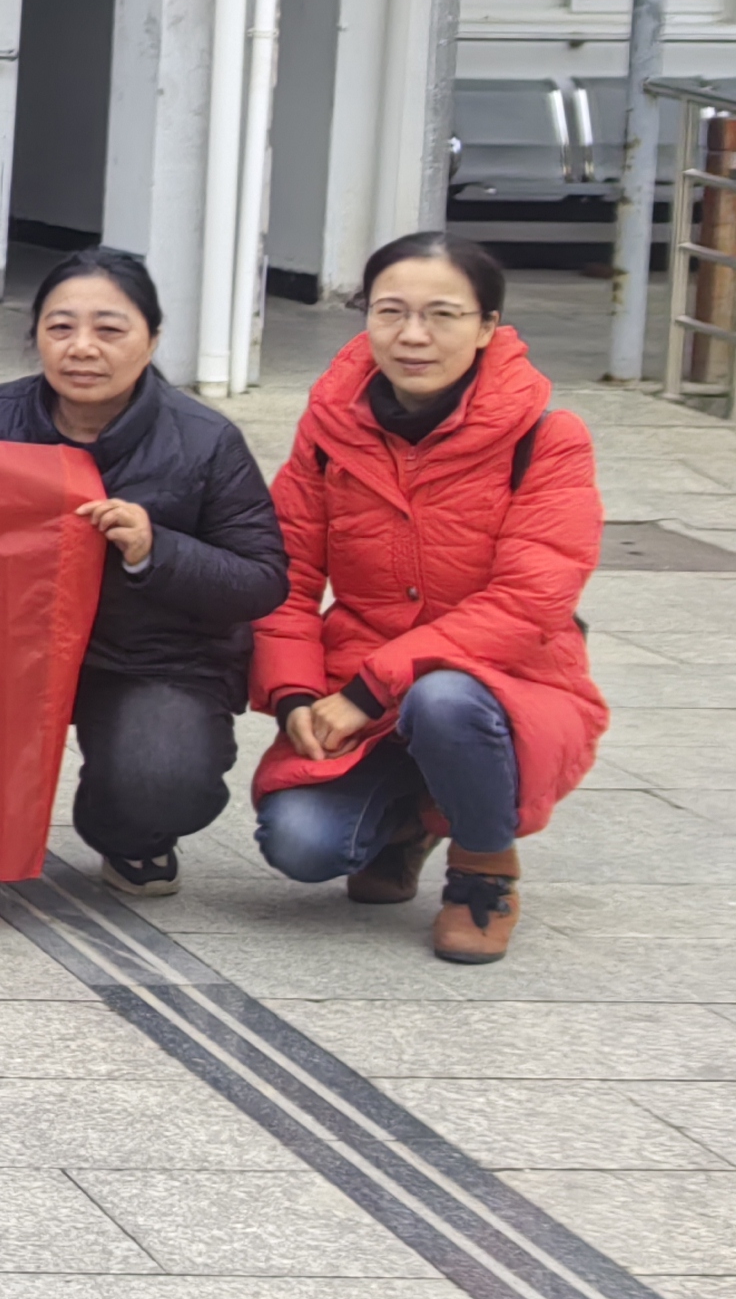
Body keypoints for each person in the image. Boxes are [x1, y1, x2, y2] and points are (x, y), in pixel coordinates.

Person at [0, 247, 286, 910]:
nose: (82, 348)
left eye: (109, 329)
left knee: (160, 778)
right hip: (3, 656)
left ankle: (129, 830)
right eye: (60, 327)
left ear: (153, 338)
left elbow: (261, 579)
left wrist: (155, 549)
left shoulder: (206, 442)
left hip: (151, 660)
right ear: (36, 334)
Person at [251, 232, 605, 965]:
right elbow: (284, 574)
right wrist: (293, 694)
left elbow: (529, 601)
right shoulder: (329, 430)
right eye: (391, 312)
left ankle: (483, 868)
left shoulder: (547, 438)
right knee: (301, 844)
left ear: (487, 327)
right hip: (361, 684)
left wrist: (369, 690)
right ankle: (409, 822)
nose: (413, 335)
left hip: (505, 683)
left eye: (442, 315)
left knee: (443, 700)